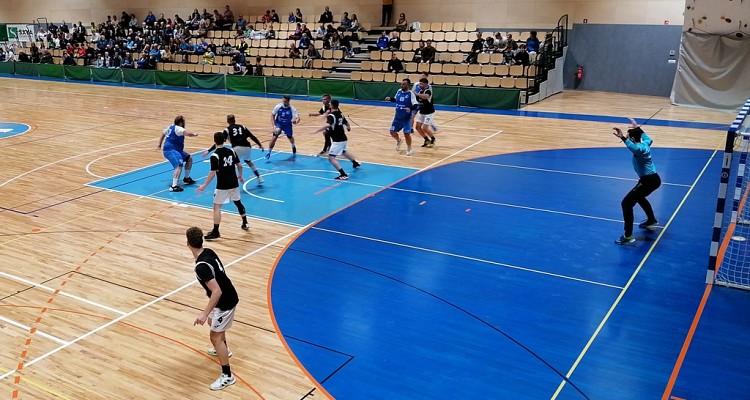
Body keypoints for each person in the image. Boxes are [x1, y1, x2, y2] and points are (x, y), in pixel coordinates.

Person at [186, 226, 239, 390]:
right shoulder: (209, 252)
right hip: (225, 297)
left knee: (215, 337)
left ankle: (227, 376)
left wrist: (204, 313)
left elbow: (217, 291)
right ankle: (224, 349)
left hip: (225, 302)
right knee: (212, 322)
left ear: (187, 243)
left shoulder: (201, 267)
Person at [611, 118, 661, 245]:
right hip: (654, 179)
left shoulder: (639, 149)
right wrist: (637, 127)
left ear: (632, 139)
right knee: (639, 197)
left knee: (626, 203)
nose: (628, 138)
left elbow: (634, 148)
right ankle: (651, 220)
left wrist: (623, 138)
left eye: (629, 137)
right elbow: (648, 138)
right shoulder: (646, 144)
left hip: (648, 181)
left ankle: (628, 236)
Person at [197, 132, 250, 239]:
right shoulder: (232, 151)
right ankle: (245, 223)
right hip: (234, 183)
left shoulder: (215, 155)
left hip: (222, 185)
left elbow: (212, 172)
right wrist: (240, 176)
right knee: (238, 202)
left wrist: (204, 185)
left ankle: (216, 231)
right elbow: (240, 166)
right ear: (224, 140)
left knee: (216, 207)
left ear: (214, 141)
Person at [203, 114, 264, 185]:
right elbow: (252, 136)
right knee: (248, 161)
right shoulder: (243, 127)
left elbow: (219, 142)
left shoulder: (227, 130)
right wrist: (260, 145)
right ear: (235, 120)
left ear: (227, 121)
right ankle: (259, 177)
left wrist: (209, 150)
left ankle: (232, 180)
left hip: (236, 148)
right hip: (247, 147)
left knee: (231, 164)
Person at [313, 100, 361, 180]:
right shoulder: (340, 114)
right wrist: (348, 127)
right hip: (343, 138)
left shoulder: (331, 115)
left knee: (331, 158)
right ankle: (355, 163)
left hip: (338, 140)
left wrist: (316, 131)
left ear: (331, 106)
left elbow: (327, 125)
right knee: (343, 152)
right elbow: (346, 123)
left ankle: (343, 174)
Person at [156, 115, 198, 192]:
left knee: (189, 158)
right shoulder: (179, 128)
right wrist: (194, 134)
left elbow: (163, 133)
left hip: (177, 150)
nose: (184, 123)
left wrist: (159, 144)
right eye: (183, 122)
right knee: (179, 165)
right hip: (171, 150)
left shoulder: (170, 127)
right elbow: (187, 133)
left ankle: (186, 178)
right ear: (180, 123)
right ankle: (174, 186)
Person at [384, 79, 418, 156]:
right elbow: (395, 99)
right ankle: (399, 141)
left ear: (408, 85)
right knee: (392, 132)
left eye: (403, 84)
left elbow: (416, 105)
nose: (402, 85)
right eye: (401, 84)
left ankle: (409, 148)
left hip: (406, 118)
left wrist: (410, 108)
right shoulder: (399, 91)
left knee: (406, 133)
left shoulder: (411, 94)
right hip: (397, 117)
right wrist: (390, 99)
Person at [266, 95, 301, 159]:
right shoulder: (278, 106)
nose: (283, 102)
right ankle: (269, 152)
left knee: (289, 137)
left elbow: (298, 118)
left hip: (287, 125)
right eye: (283, 101)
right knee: (274, 137)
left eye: (285, 101)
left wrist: (296, 121)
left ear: (288, 101)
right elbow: (273, 115)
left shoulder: (292, 108)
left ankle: (293, 146)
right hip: (279, 124)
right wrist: (274, 125)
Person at [414, 78, 437, 148]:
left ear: (425, 84)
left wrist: (417, 94)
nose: (419, 85)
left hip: (429, 113)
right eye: (419, 84)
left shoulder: (428, 91)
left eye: (421, 84)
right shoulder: (420, 92)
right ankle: (426, 140)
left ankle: (433, 139)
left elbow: (426, 96)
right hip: (422, 112)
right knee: (417, 127)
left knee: (425, 128)